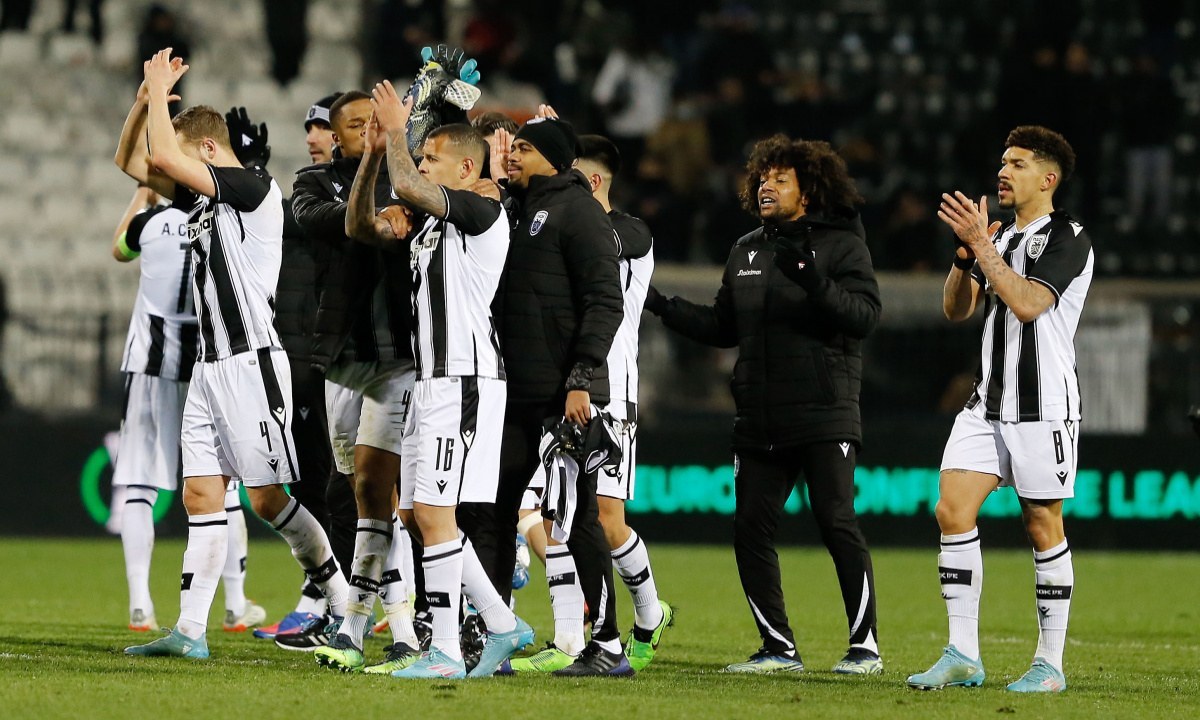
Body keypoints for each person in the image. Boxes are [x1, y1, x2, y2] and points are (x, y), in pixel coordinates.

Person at [116, 49, 349, 659]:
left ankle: (342, 598)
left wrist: (159, 91)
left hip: (251, 364)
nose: (176, 169)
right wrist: (143, 105)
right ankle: (190, 632)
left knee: (268, 500)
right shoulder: (202, 201)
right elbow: (133, 162)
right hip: (207, 369)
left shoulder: (253, 188)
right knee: (201, 496)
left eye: (188, 157)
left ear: (209, 150)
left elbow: (166, 159)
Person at [646, 134, 883, 675]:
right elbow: (723, 326)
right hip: (759, 416)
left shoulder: (842, 245)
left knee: (836, 522)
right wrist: (660, 304)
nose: (766, 186)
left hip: (823, 411)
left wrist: (812, 280)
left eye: (781, 178)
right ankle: (778, 647)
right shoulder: (746, 249)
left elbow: (864, 317)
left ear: (808, 189)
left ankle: (864, 647)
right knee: (750, 530)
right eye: (762, 178)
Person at [335, 80, 533, 680]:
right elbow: (360, 228)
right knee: (416, 514)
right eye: (419, 157)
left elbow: (410, 188)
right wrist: (373, 155)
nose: (420, 166)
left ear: (467, 168)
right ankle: (502, 623)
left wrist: (398, 131)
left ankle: (444, 651)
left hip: (463, 379)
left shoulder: (483, 211)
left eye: (431, 159)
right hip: (431, 382)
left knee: (435, 513)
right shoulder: (431, 223)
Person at [908, 126, 1091, 694]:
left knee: (1041, 523)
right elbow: (955, 309)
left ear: (1048, 178)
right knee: (951, 509)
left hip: (1043, 406)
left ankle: (1049, 664)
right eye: (1003, 162)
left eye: (1017, 164)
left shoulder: (1068, 236)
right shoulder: (1000, 236)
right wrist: (966, 255)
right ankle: (962, 653)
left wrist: (983, 249)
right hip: (987, 402)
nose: (1003, 172)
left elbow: (1030, 303)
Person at [463, 113, 627, 676]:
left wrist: (581, 379)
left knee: (577, 517)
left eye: (525, 148)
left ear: (554, 160)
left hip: (562, 398)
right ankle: (495, 635)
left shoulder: (578, 212)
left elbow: (605, 300)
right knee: (489, 510)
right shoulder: (515, 209)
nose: (513, 154)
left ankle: (607, 644)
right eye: (513, 147)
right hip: (513, 392)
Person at [505, 134, 673, 675]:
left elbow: (594, 255)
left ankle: (646, 615)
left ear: (591, 179)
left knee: (603, 520)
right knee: (554, 512)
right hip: (561, 388)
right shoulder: (553, 215)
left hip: (608, 392)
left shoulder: (628, 231)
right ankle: (571, 637)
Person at [281, 89, 420, 661]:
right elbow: (347, 226)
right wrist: (379, 187)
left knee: (385, 491)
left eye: (375, 121)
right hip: (344, 358)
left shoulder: (410, 177)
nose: (370, 129)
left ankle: (400, 625)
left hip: (402, 357)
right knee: (359, 490)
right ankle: (372, 621)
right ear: (336, 136)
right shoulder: (312, 185)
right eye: (358, 124)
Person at [232, 96, 361, 641]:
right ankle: (343, 598)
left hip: (333, 362)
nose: (312, 136)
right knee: (323, 482)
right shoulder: (311, 191)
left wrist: (251, 178)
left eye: (323, 127)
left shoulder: (354, 198)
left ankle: (335, 601)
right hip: (305, 358)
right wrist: (251, 176)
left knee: (335, 485)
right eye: (309, 127)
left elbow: (297, 220)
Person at [109, 183, 264, 635]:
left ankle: (140, 604)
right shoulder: (220, 223)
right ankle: (234, 604)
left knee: (139, 484)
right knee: (223, 485)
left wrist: (141, 196)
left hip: (149, 366)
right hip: (202, 366)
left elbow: (119, 250)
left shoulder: (148, 223)